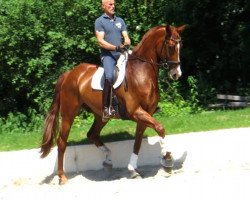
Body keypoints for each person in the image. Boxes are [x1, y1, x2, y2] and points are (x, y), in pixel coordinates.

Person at [95, 0, 131, 121]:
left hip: (121, 53)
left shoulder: (120, 20)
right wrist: (115, 47)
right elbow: (101, 41)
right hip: (108, 56)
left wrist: (127, 41)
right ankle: (105, 108)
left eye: (114, 4)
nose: (113, 6)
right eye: (110, 4)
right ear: (103, 6)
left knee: (137, 68)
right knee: (109, 76)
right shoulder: (100, 21)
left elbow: (126, 36)